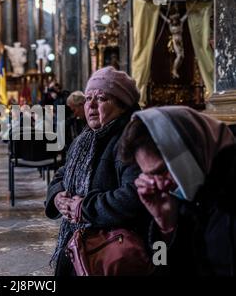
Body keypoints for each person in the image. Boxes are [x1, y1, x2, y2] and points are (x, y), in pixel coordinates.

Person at [45, 66, 149, 276]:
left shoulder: (132, 139)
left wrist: (84, 207)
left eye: (101, 99)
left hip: (111, 250)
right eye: (87, 98)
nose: (90, 105)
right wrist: (57, 197)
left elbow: (136, 195)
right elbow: (61, 174)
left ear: (122, 105)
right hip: (78, 242)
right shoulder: (85, 138)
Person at [119, 106, 236, 275]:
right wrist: (165, 229)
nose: (158, 184)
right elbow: (160, 266)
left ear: (188, 154)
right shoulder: (184, 197)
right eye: (149, 175)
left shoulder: (225, 200)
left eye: (161, 171)